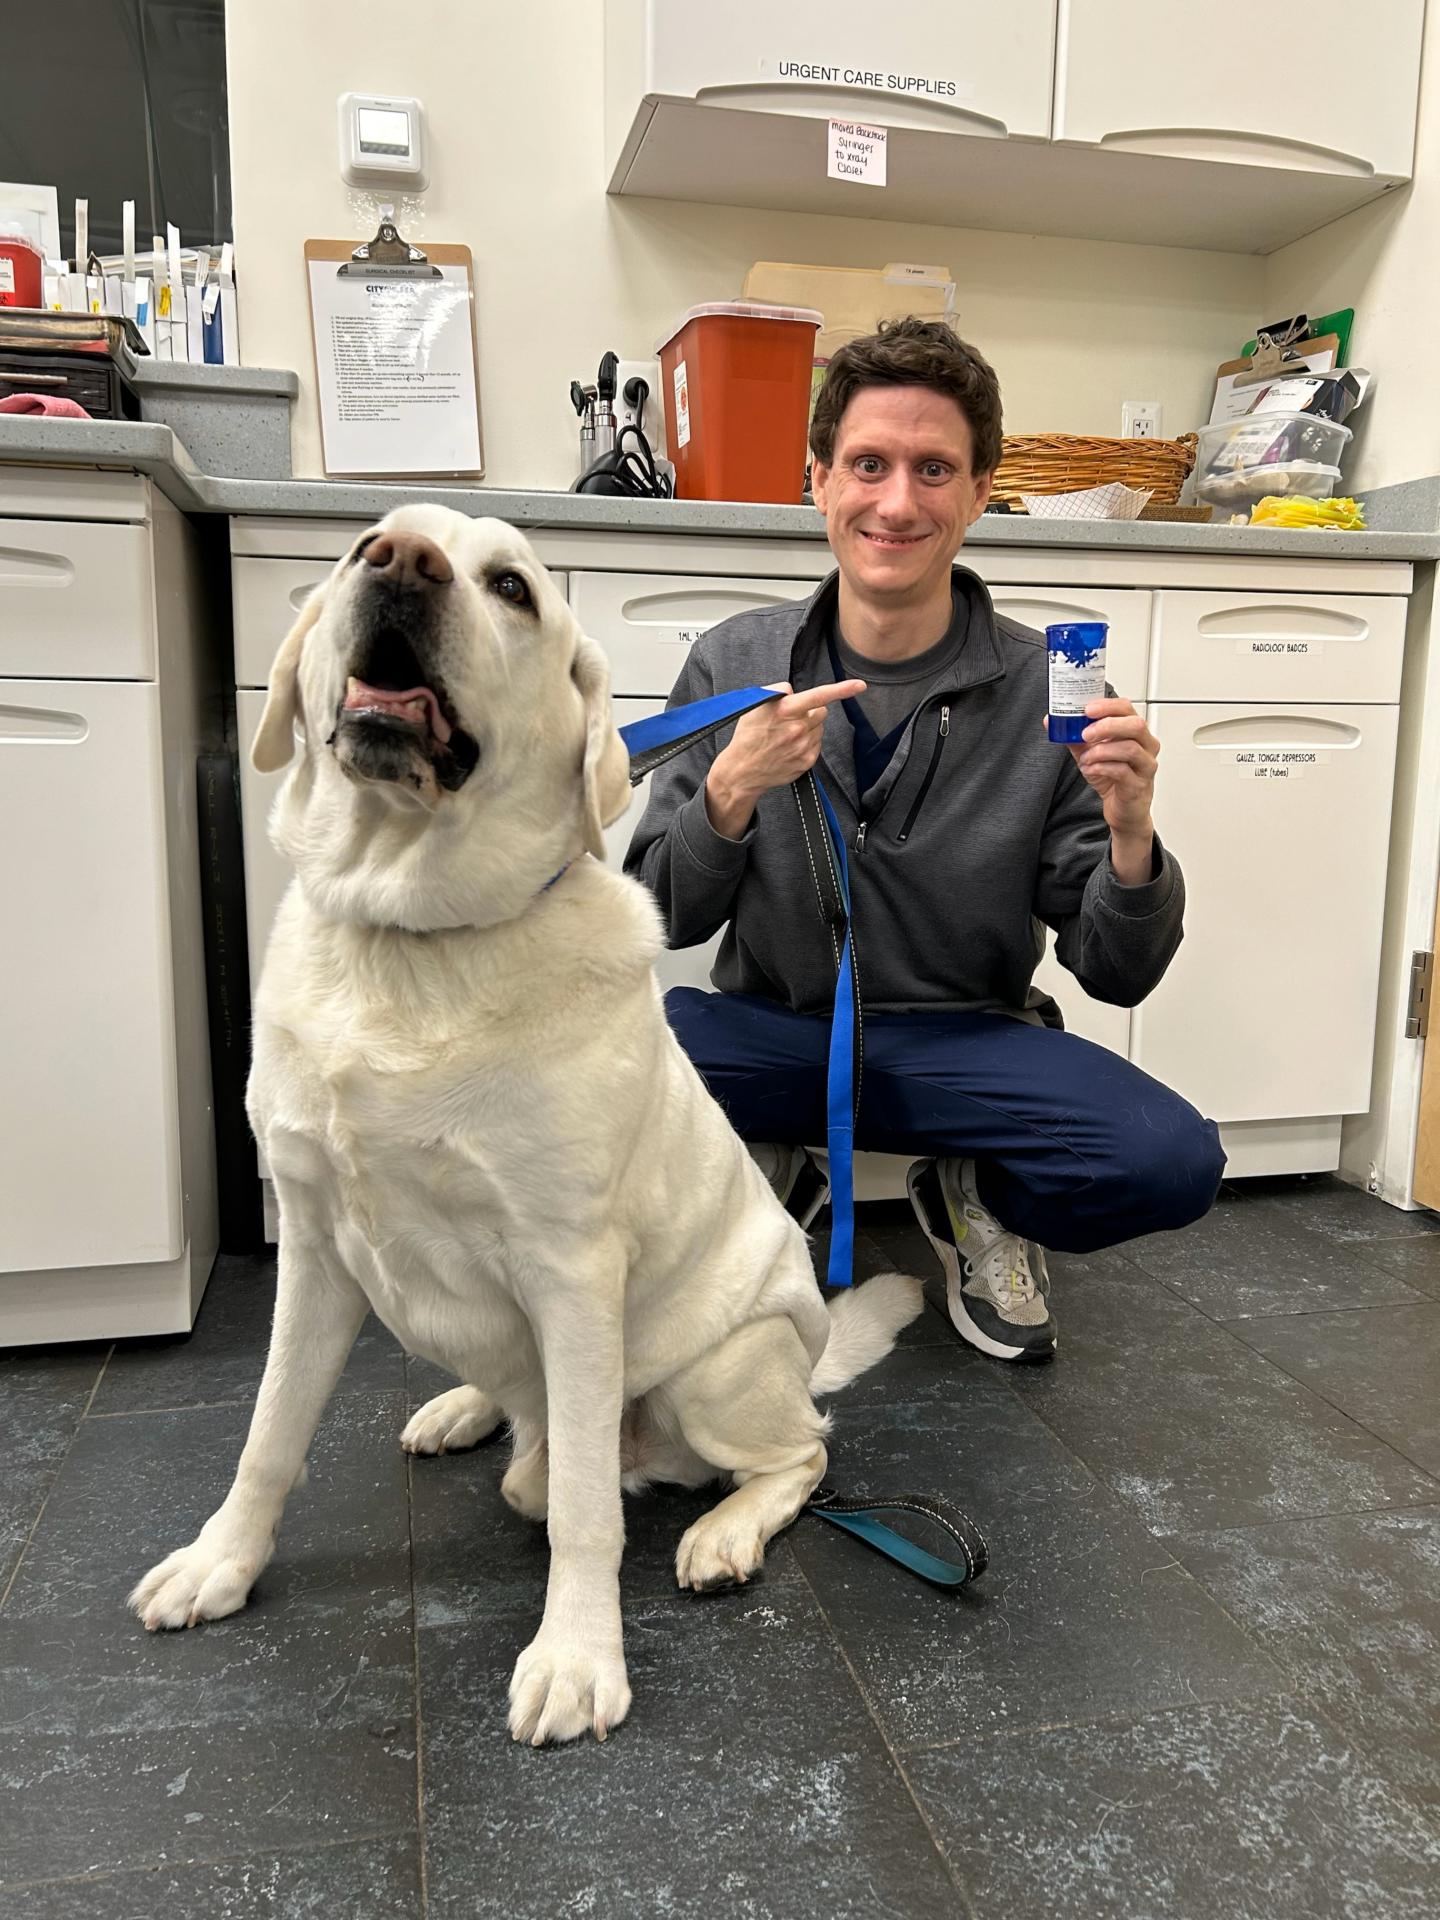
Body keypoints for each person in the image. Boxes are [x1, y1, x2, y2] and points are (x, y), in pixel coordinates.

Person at [625, 318, 1224, 1363]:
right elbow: (657, 915)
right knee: (586, 1078)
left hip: (969, 1045)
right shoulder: (735, 661)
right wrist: (726, 793)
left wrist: (1133, 837)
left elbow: (1116, 976)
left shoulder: (1051, 688)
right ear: (819, 482)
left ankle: (971, 1192)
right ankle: (774, 1159)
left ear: (980, 491)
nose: (897, 502)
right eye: (869, 464)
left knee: (1169, 1158)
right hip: (774, 1033)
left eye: (934, 468)